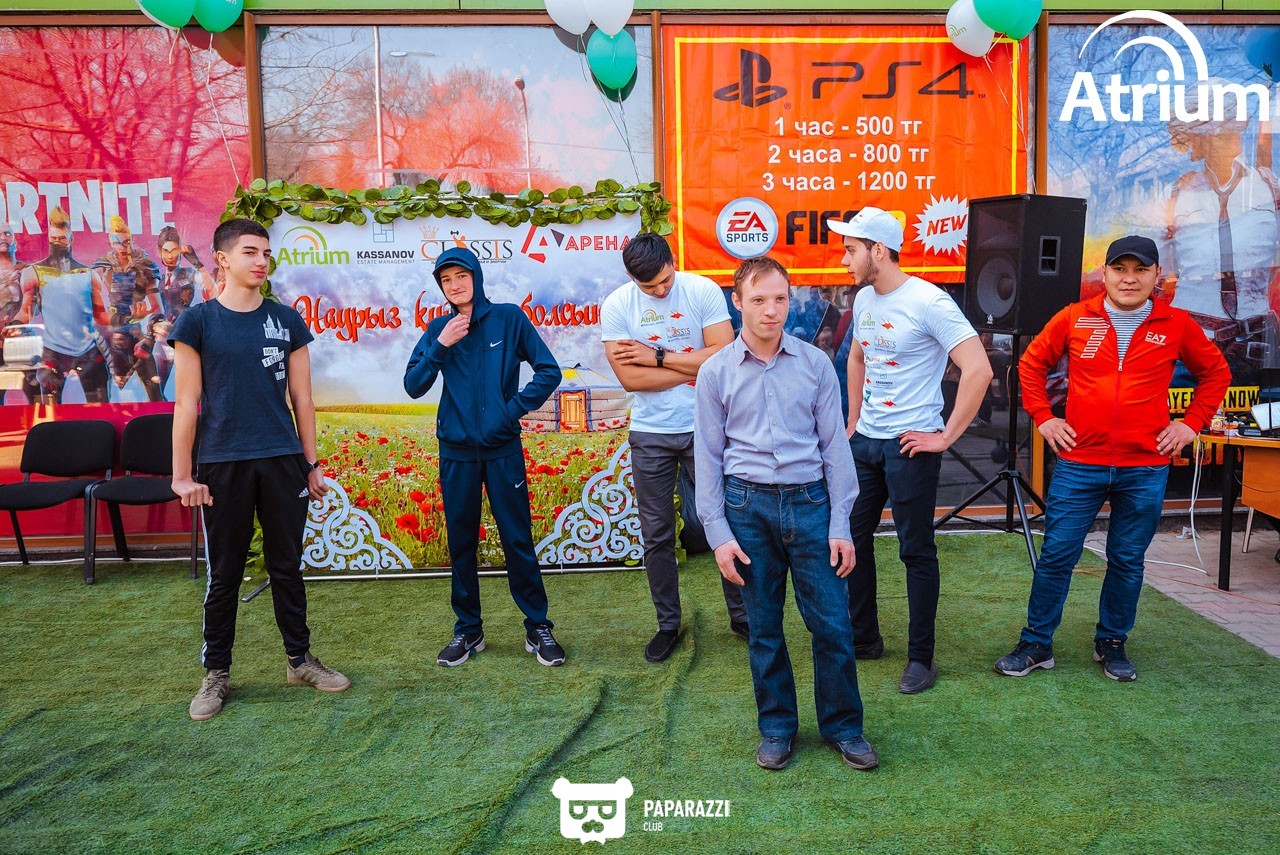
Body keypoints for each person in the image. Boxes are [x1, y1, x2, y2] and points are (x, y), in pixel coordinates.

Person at [995, 235, 1231, 682]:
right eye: (1120, 269)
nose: (1129, 278)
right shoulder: (1074, 317)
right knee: (1057, 554)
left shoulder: (1177, 323)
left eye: (1140, 270)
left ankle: (1112, 642)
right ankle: (1036, 643)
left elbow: (1216, 373)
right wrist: (1044, 417)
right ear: (1104, 273)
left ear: (1156, 276)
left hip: (1145, 467)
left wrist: (1191, 423)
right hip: (1080, 462)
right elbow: (1030, 364)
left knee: (1126, 559)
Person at [695, 256, 876, 772]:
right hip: (746, 508)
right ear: (737, 302)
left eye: (779, 298)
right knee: (764, 628)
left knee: (833, 625)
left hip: (811, 504)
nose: (771, 310)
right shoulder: (714, 372)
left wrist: (841, 523)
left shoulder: (816, 364)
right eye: (759, 300)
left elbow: (835, 449)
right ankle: (776, 728)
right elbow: (708, 456)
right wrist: (718, 534)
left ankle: (844, 727)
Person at [171, 218, 350, 721]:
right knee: (225, 573)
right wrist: (181, 476)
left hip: (282, 461)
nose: (260, 261)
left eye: (266, 253)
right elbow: (186, 404)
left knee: (286, 566)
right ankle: (216, 674)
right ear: (222, 259)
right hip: (222, 463)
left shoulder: (286, 320)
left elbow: (303, 399)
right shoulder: (197, 322)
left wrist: (311, 464)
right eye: (250, 251)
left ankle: (300, 661)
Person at [831, 206, 992, 694]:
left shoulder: (930, 301)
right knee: (850, 539)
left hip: (911, 446)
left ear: (878, 250)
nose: (844, 260)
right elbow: (857, 357)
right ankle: (864, 639)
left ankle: (921, 658)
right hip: (867, 442)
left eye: (851, 250)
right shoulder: (864, 299)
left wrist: (945, 437)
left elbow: (979, 369)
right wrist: (853, 419)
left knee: (915, 550)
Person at [404, 246, 566, 668]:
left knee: (517, 538)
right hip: (456, 453)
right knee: (461, 543)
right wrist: (440, 346)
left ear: (476, 277)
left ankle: (537, 626)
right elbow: (413, 385)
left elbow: (549, 371)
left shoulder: (509, 319)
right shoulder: (438, 329)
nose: (455, 285)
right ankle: (468, 630)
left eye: (461, 276)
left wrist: (509, 411)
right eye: (446, 280)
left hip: (502, 450)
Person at [600, 233, 747, 663]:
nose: (661, 291)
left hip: (708, 426)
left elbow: (724, 356)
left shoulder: (701, 290)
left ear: (673, 261)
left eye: (666, 280)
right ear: (631, 278)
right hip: (651, 432)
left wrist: (658, 357)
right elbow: (631, 380)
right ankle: (668, 624)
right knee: (657, 533)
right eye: (650, 287)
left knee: (727, 522)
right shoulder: (617, 305)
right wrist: (694, 364)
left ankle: (744, 618)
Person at [1162, 79, 1280, 386]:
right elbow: (1159, 274)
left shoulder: (1269, 189)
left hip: (1259, 347)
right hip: (1189, 347)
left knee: (1260, 416)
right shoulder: (1176, 193)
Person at [16, 206, 112, 403]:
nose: (57, 242)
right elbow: (26, 312)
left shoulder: (89, 274)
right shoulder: (34, 272)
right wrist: (12, 326)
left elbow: (101, 316)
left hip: (87, 350)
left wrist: (127, 318)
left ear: (71, 239)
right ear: (48, 239)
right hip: (52, 352)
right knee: (48, 412)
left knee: (101, 408)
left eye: (62, 238)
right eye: (53, 238)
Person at [94, 215, 163, 400]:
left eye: (126, 242)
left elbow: (158, 309)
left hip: (137, 332)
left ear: (132, 240)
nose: (122, 248)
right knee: (105, 393)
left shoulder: (145, 266)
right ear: (110, 243)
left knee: (154, 391)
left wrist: (148, 337)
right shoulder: (103, 266)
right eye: (117, 243)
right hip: (112, 333)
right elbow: (93, 308)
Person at [157, 225, 217, 322]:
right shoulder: (161, 279)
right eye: (166, 251)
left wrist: (199, 265)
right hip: (167, 327)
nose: (170, 256)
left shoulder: (190, 273)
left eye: (174, 251)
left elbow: (214, 291)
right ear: (160, 252)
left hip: (187, 324)